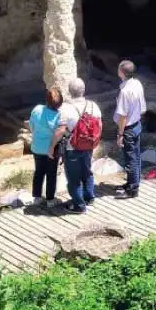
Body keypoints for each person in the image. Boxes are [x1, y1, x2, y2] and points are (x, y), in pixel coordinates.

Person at [54, 77, 103, 214]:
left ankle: (78, 205)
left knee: (74, 177)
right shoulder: (93, 105)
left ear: (69, 92)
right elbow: (99, 125)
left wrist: (52, 146)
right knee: (87, 171)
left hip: (72, 147)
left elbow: (61, 130)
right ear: (84, 90)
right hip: (88, 145)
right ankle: (89, 197)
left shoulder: (66, 109)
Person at [114, 60, 146, 198]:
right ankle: (133, 182)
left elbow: (123, 116)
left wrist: (120, 134)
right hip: (137, 124)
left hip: (128, 128)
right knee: (136, 156)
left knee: (130, 159)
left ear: (121, 72)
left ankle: (132, 190)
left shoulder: (125, 91)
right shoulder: (137, 83)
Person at [28, 86, 64, 209]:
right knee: (51, 174)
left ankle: (37, 197)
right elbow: (59, 134)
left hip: (37, 147)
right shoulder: (59, 116)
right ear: (60, 104)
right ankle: (50, 199)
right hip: (51, 149)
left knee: (38, 171)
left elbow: (31, 127)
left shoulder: (37, 109)